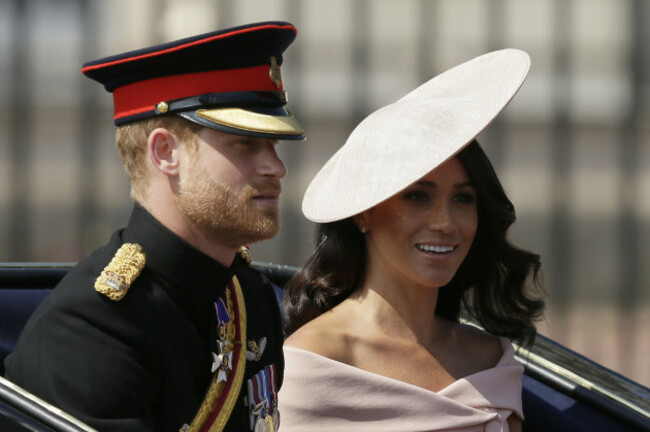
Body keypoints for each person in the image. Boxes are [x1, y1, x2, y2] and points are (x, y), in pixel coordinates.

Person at [4, 21, 303, 432]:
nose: (276, 167)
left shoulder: (248, 294)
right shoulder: (94, 328)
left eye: (274, 145)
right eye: (245, 144)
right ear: (165, 153)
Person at [279, 49, 545, 432]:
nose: (445, 222)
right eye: (418, 196)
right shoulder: (313, 364)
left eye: (463, 198)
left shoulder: (490, 359)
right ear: (363, 211)